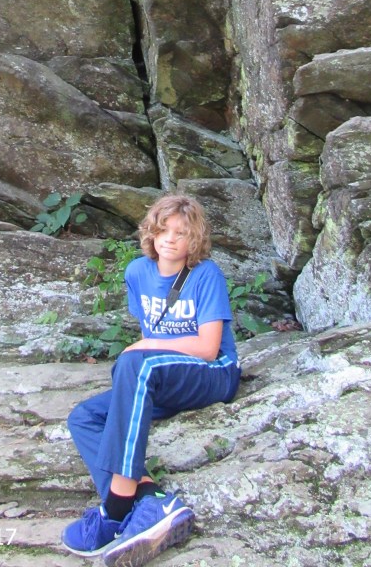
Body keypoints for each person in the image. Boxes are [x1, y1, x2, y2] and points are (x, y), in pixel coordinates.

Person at [61, 194, 242, 566]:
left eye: (182, 233)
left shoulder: (206, 275)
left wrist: (147, 343)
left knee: (135, 363)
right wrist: (145, 348)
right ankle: (151, 502)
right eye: (164, 230)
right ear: (151, 232)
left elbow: (208, 348)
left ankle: (115, 509)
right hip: (163, 376)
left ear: (196, 240)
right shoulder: (137, 273)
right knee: (84, 417)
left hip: (212, 373)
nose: (171, 239)